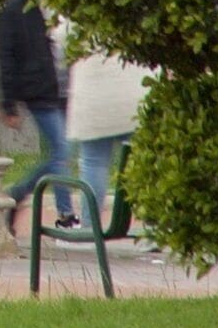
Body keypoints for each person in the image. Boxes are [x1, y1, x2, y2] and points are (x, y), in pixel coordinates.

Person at [0, 0, 73, 236]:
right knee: (62, 150)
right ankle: (66, 215)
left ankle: (18, 193)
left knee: (61, 154)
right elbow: (7, 55)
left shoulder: (62, 4)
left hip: (67, 90)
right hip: (40, 92)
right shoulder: (17, 9)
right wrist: (9, 103)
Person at [63, 31, 155, 230]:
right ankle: (153, 227)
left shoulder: (76, 4)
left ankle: (90, 227)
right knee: (144, 161)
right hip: (137, 90)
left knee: (93, 163)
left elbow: (64, 37)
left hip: (95, 96)